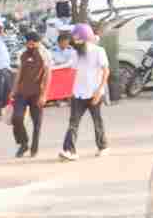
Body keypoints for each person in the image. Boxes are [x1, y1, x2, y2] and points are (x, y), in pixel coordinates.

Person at [58, 22, 109, 161]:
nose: (75, 43)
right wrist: (70, 91)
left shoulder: (99, 51)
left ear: (85, 39)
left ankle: (103, 146)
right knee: (73, 123)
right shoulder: (76, 53)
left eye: (77, 41)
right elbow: (73, 70)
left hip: (94, 93)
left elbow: (106, 71)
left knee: (97, 121)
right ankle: (69, 151)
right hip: (78, 93)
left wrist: (99, 91)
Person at [9, 30, 51, 159]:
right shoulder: (22, 53)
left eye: (33, 44)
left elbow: (48, 76)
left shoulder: (45, 54)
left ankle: (34, 147)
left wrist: (44, 95)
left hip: (37, 93)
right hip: (22, 92)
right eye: (29, 44)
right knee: (16, 118)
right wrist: (13, 90)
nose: (31, 46)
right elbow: (19, 73)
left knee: (37, 122)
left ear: (38, 43)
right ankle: (23, 143)